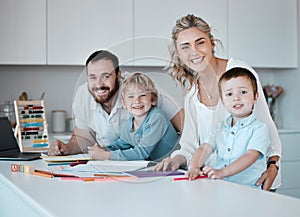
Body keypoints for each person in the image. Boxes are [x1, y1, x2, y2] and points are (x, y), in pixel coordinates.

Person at [154, 14, 281, 191]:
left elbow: (265, 124)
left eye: (200, 42)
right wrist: (176, 160)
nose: (195, 52)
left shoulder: (238, 72)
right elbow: (190, 145)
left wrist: (274, 164)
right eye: (185, 47)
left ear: (212, 43)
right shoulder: (192, 93)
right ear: (178, 54)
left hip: (255, 181)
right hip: (218, 182)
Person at [48, 50, 183, 157]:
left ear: (118, 75)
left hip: (158, 162)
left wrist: (194, 160)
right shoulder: (83, 94)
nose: (99, 84)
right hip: (126, 164)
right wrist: (66, 148)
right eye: (92, 77)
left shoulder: (137, 88)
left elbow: (187, 126)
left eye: (106, 76)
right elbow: (84, 138)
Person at [187, 67, 270, 188]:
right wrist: (194, 167)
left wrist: (222, 172)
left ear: (255, 96)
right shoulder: (219, 127)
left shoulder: (259, 128)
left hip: (248, 191)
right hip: (222, 187)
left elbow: (250, 156)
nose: (236, 98)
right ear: (223, 101)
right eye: (229, 94)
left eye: (243, 92)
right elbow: (205, 148)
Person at [88, 72, 179, 161]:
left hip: (176, 165)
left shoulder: (157, 118)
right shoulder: (128, 123)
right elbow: (122, 144)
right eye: (131, 96)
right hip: (157, 166)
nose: (137, 101)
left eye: (142, 95)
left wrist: (107, 155)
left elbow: (142, 152)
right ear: (124, 104)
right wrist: (103, 149)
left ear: (153, 100)